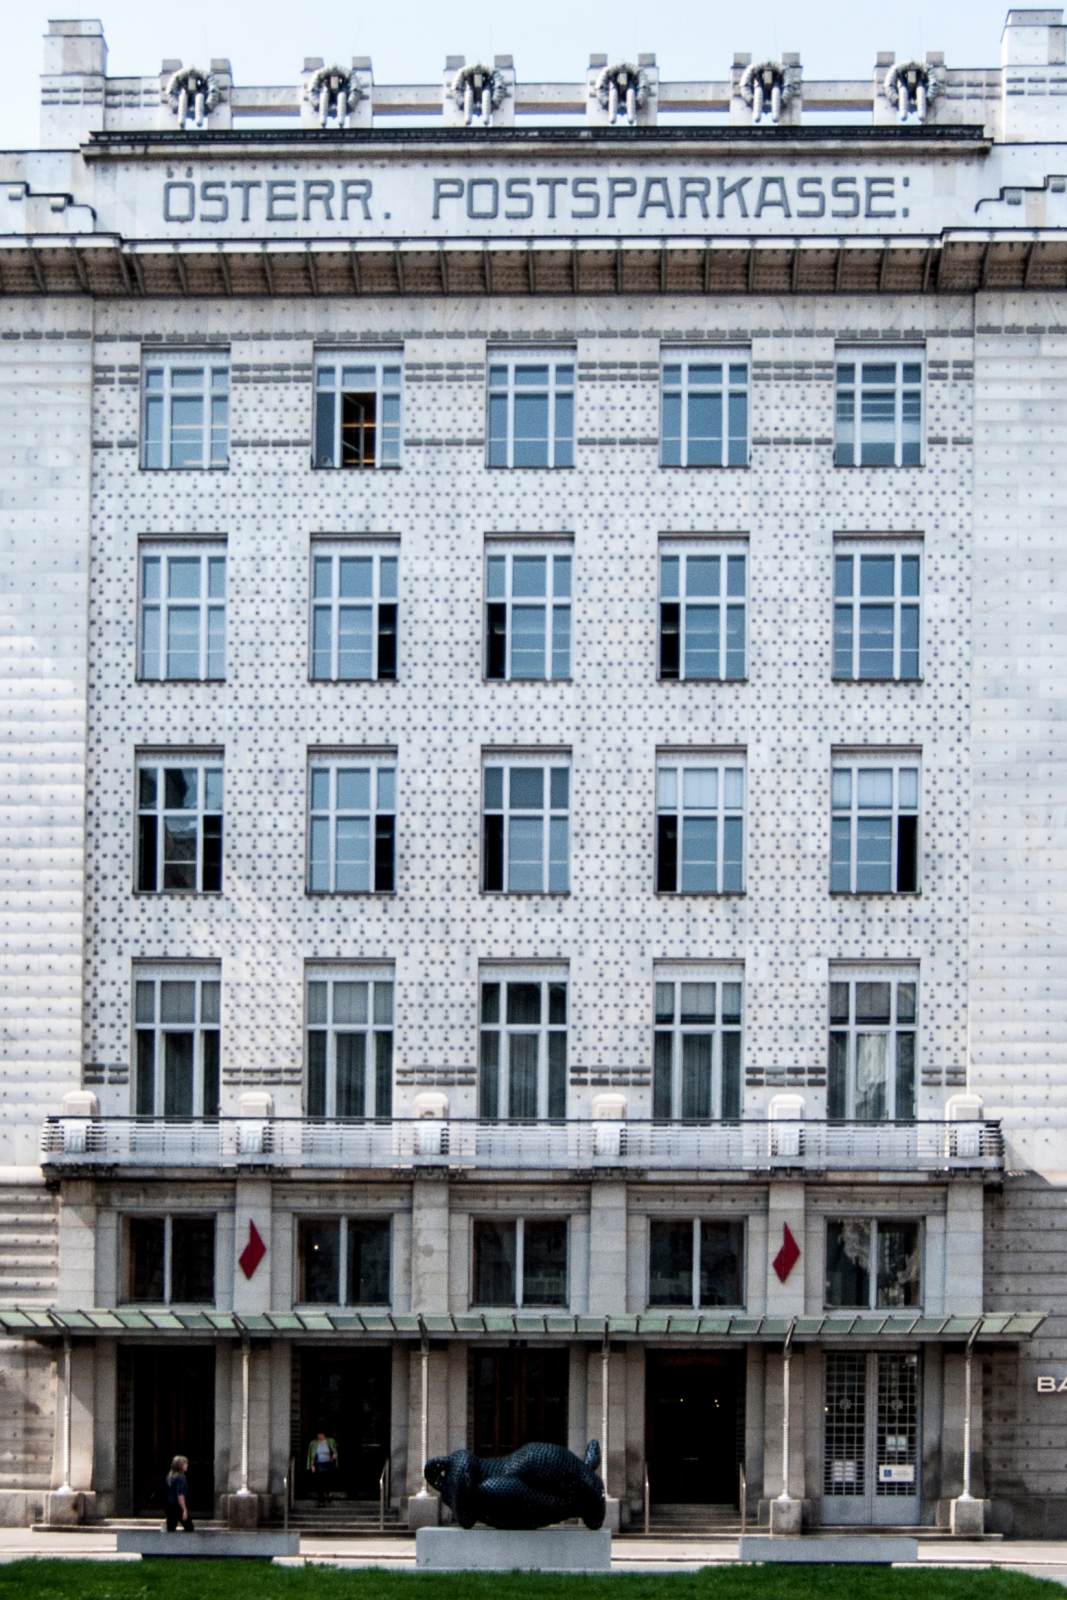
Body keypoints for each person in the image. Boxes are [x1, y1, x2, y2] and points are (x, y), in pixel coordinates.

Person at [307, 1430, 338, 1507]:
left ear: (324, 1435)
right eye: (318, 1434)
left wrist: (334, 1456)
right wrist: (312, 1465)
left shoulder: (330, 1441)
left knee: (327, 1481)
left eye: (321, 1434)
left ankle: (329, 1493)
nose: (319, 1436)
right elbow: (310, 1455)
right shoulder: (313, 1443)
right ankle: (321, 1501)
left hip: (328, 1464)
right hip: (319, 1464)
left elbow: (335, 1451)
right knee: (319, 1483)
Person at [165, 1455, 194, 1532]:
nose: (187, 1465)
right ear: (180, 1466)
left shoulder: (170, 1476)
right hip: (177, 1507)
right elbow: (180, 1495)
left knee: (170, 1529)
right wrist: (184, 1509)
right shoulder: (181, 1478)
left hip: (169, 1506)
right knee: (189, 1527)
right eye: (185, 1463)